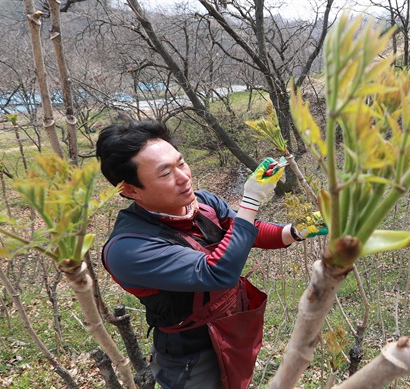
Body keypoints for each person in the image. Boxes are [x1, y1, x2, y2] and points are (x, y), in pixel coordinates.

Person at [96, 118, 325, 389]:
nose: (184, 178)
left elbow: (243, 230)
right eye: (165, 173)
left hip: (234, 328)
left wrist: (297, 230)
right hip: (192, 354)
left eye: (181, 163)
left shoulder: (201, 202)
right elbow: (217, 273)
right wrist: (250, 201)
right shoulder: (129, 248)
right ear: (131, 190)